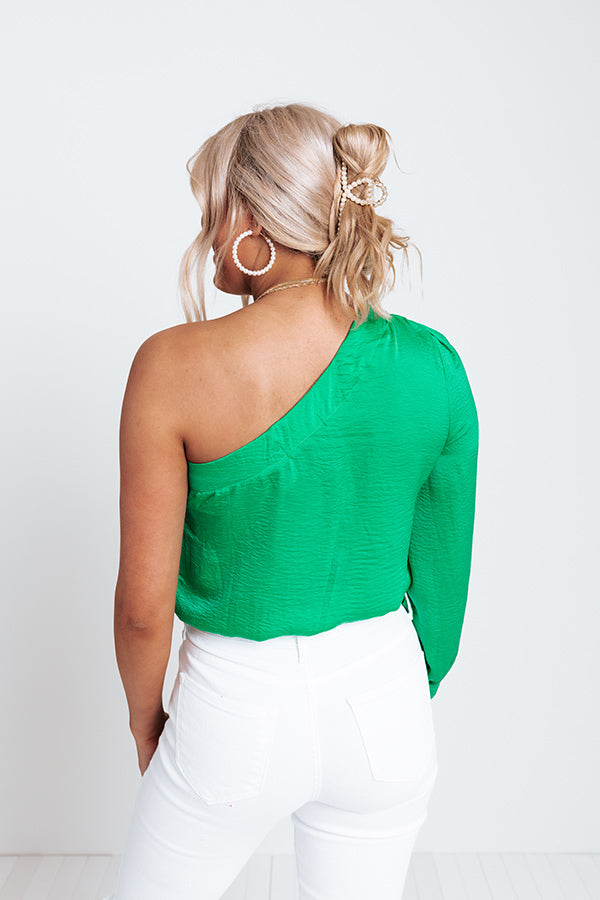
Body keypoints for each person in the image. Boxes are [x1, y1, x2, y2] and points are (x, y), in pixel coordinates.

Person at [108, 102, 479, 900]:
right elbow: (443, 592)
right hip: (384, 704)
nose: (206, 231)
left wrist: (147, 725)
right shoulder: (434, 365)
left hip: (233, 711)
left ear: (253, 217)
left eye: (213, 208)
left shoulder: (171, 367)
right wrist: (386, 699)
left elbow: (142, 610)